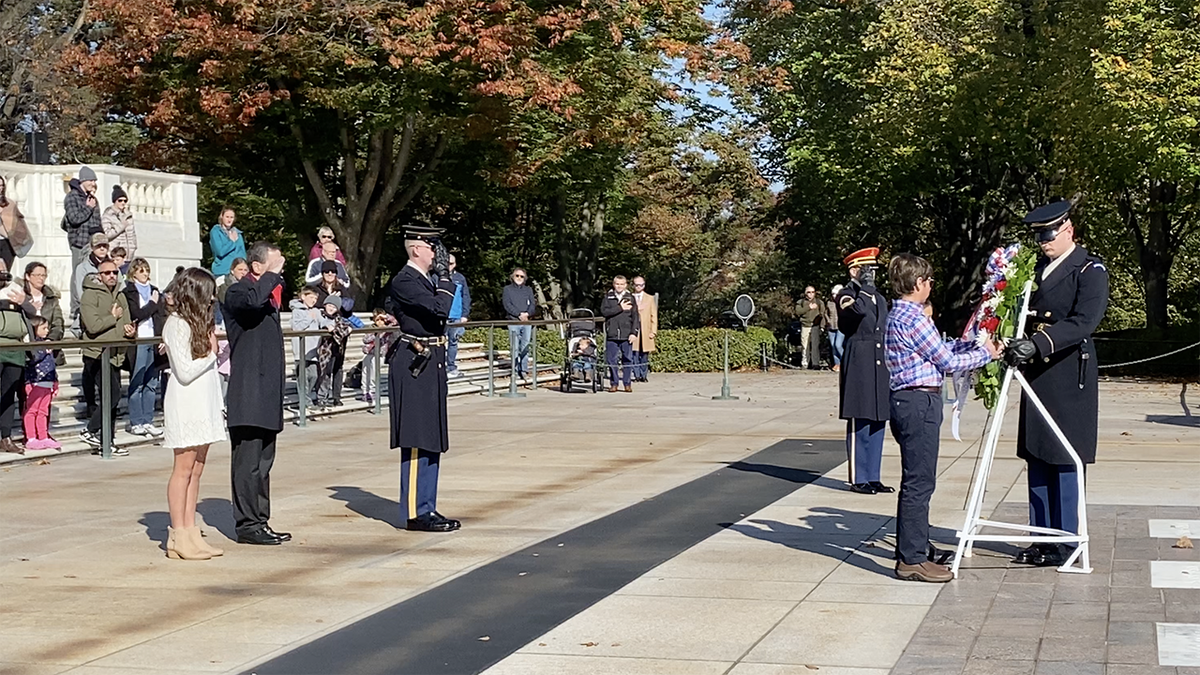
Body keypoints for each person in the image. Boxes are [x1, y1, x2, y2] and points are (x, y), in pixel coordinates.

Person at [1004, 200, 1110, 568]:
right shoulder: (1034, 270)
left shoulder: (1089, 270)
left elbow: (1084, 321)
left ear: (1068, 230)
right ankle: (1042, 538)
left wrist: (1039, 343)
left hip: (1067, 373)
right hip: (1035, 371)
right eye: (1039, 235)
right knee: (1037, 455)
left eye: (1049, 233)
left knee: (1065, 458)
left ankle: (1067, 541)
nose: (1044, 241)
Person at [885, 253, 1002, 583]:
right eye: (930, 281)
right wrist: (985, 353)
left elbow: (939, 352)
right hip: (918, 401)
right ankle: (912, 559)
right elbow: (946, 361)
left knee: (917, 479)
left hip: (909, 400)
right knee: (920, 482)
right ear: (919, 283)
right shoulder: (914, 318)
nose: (931, 287)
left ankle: (916, 545)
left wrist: (968, 346)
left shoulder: (898, 314)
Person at [387, 225, 461, 533]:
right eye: (432, 248)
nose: (437, 254)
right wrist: (446, 277)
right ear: (416, 249)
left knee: (431, 438)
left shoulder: (422, 280)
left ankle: (427, 505)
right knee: (418, 439)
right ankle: (416, 512)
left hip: (431, 361)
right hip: (415, 363)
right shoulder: (405, 280)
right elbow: (440, 309)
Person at [224, 240, 291, 545]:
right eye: (275, 265)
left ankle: (260, 520)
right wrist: (271, 276)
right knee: (248, 463)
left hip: (265, 392)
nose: (280, 272)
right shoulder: (239, 291)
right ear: (257, 267)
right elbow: (250, 303)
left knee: (264, 463)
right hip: (248, 392)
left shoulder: (265, 295)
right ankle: (248, 524)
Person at [162, 267, 227, 561]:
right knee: (183, 468)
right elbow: (185, 371)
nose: (212, 298)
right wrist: (212, 354)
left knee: (197, 470)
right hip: (186, 401)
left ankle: (191, 531)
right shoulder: (176, 325)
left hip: (205, 401)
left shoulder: (199, 324)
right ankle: (178, 533)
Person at [836, 248, 892, 495]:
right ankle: (859, 477)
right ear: (854, 270)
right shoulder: (846, 295)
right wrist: (865, 288)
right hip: (859, 360)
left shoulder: (878, 298)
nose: (872, 275)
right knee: (860, 418)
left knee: (878, 418)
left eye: (874, 271)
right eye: (867, 270)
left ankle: (873, 475)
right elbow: (852, 315)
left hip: (879, 361)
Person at [79, 259, 134, 455]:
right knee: (112, 394)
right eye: (107, 273)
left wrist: (130, 330)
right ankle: (89, 430)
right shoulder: (89, 295)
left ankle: (107, 443)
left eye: (115, 272)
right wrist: (113, 317)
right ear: (99, 275)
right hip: (96, 354)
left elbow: (127, 322)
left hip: (116, 354)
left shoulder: (120, 295)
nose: (111, 276)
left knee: (112, 401)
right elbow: (93, 326)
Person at [121, 258, 167, 437]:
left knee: (151, 383)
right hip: (139, 341)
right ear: (133, 272)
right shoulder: (129, 291)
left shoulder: (155, 290)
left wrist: (162, 337)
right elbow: (137, 314)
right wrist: (152, 304)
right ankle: (136, 421)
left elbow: (161, 316)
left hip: (153, 340)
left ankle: (148, 420)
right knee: (137, 381)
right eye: (141, 271)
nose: (145, 274)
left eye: (146, 270)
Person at [0, 263, 29, 455]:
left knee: (9, 395)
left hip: (15, 348)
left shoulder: (17, 290)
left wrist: (24, 303)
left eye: (3, 269)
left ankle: (5, 437)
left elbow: (36, 317)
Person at [64, 166, 103, 307]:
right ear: (83, 180)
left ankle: (91, 303)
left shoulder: (93, 198)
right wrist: (88, 208)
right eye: (91, 180)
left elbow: (98, 222)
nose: (93, 183)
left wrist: (101, 241)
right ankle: (76, 307)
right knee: (77, 274)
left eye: (94, 180)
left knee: (94, 273)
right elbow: (74, 219)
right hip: (79, 243)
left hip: (93, 244)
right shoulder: (72, 197)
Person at [314, 293, 359, 408]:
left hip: (338, 349)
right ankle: (322, 397)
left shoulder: (339, 318)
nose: (331, 308)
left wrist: (347, 329)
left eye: (334, 307)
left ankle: (336, 397)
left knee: (338, 371)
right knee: (325, 373)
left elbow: (347, 327)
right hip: (325, 350)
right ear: (325, 305)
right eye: (329, 305)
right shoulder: (320, 315)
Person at [23, 316, 59, 450]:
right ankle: (31, 437)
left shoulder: (45, 344)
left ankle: (43, 436)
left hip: (47, 383)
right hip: (35, 382)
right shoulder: (34, 345)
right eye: (44, 328)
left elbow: (51, 365)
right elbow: (32, 359)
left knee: (43, 412)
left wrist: (55, 381)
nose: (47, 330)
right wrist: (44, 350)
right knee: (32, 411)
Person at [289, 287, 329, 406]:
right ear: (303, 297)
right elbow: (296, 327)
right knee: (302, 378)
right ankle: (305, 401)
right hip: (301, 350)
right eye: (311, 297)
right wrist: (309, 318)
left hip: (313, 350)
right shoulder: (297, 311)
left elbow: (323, 322)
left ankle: (307, 396)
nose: (313, 300)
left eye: (315, 298)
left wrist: (330, 325)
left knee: (313, 375)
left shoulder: (316, 311)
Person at [601, 275, 640, 393]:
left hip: (626, 334)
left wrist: (634, 333)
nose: (619, 286)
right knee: (611, 360)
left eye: (622, 284)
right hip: (612, 334)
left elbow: (635, 317)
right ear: (614, 284)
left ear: (626, 285)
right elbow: (604, 312)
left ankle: (627, 383)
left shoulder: (630, 298)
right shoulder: (608, 297)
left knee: (627, 359)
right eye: (617, 284)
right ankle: (614, 383)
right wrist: (620, 308)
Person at [502, 268, 535, 380]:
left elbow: (532, 305)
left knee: (525, 347)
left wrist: (527, 314)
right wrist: (518, 314)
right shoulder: (507, 289)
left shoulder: (528, 289)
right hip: (513, 321)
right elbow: (507, 304)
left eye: (522, 276)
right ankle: (515, 370)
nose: (519, 278)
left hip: (526, 321)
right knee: (515, 348)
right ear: (513, 276)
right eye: (517, 276)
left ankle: (524, 370)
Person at [71, 233, 110, 329]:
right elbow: (81, 294)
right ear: (92, 247)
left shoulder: (113, 266)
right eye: (98, 246)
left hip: (111, 311)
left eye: (104, 246)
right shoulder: (82, 268)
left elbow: (120, 288)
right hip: (92, 311)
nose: (102, 249)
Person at [361, 311, 397, 404]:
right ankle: (365, 391)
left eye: (382, 320)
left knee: (374, 373)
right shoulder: (372, 329)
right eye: (378, 320)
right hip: (369, 353)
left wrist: (386, 317)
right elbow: (365, 339)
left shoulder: (387, 330)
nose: (380, 322)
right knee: (366, 372)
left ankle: (373, 391)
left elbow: (395, 321)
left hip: (379, 354)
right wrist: (375, 334)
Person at [445, 255, 471, 378]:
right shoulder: (435, 277)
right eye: (447, 263)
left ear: (454, 264)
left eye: (451, 263)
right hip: (441, 316)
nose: (448, 265)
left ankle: (451, 367)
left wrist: (465, 315)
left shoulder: (460, 278)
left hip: (456, 316)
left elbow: (466, 296)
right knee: (439, 343)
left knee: (453, 342)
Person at [0, 176, 33, 269]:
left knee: (5, 273)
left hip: (8, 243)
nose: (1, 188)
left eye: (2, 185)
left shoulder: (9, 204)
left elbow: (18, 223)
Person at [102, 185, 137, 264]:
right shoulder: (108, 215)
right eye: (120, 200)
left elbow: (133, 234)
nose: (123, 203)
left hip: (129, 256)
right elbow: (107, 234)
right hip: (115, 255)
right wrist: (121, 226)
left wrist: (134, 246)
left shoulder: (128, 215)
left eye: (125, 201)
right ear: (114, 201)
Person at [631, 276, 657, 382]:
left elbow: (653, 316)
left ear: (644, 285)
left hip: (646, 330)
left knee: (645, 354)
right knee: (634, 353)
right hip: (633, 329)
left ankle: (644, 375)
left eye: (641, 285)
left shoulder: (649, 298)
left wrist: (653, 331)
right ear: (633, 285)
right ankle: (636, 375)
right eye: (637, 285)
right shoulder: (630, 297)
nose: (639, 287)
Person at [209, 207, 247, 277]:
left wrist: (243, 269)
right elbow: (220, 252)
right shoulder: (216, 231)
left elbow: (242, 254)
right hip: (222, 271)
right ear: (222, 217)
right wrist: (231, 242)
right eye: (227, 217)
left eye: (231, 217)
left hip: (236, 272)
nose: (229, 220)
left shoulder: (237, 233)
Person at [797, 286, 824, 369]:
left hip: (815, 326)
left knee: (815, 346)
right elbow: (798, 312)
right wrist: (808, 307)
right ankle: (805, 363)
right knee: (805, 346)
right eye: (809, 292)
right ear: (805, 293)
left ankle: (815, 363)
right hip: (805, 325)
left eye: (813, 292)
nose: (811, 294)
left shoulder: (819, 302)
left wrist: (822, 326)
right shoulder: (801, 302)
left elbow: (823, 314)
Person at [825, 285, 845, 372]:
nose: (834, 295)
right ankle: (837, 364)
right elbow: (825, 313)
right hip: (831, 327)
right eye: (833, 294)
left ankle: (845, 361)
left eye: (836, 294)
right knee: (833, 346)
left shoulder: (843, 303)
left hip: (840, 327)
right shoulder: (829, 303)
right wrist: (828, 321)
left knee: (838, 345)